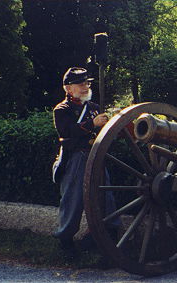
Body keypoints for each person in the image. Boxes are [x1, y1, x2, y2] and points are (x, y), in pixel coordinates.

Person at [52, 67, 117, 257]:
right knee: (73, 200)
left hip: (96, 156)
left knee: (106, 197)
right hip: (75, 159)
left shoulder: (94, 108)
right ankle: (66, 241)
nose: (85, 87)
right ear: (68, 88)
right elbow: (67, 133)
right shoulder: (62, 110)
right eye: (80, 84)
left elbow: (100, 134)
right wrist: (92, 125)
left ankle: (106, 236)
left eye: (86, 83)